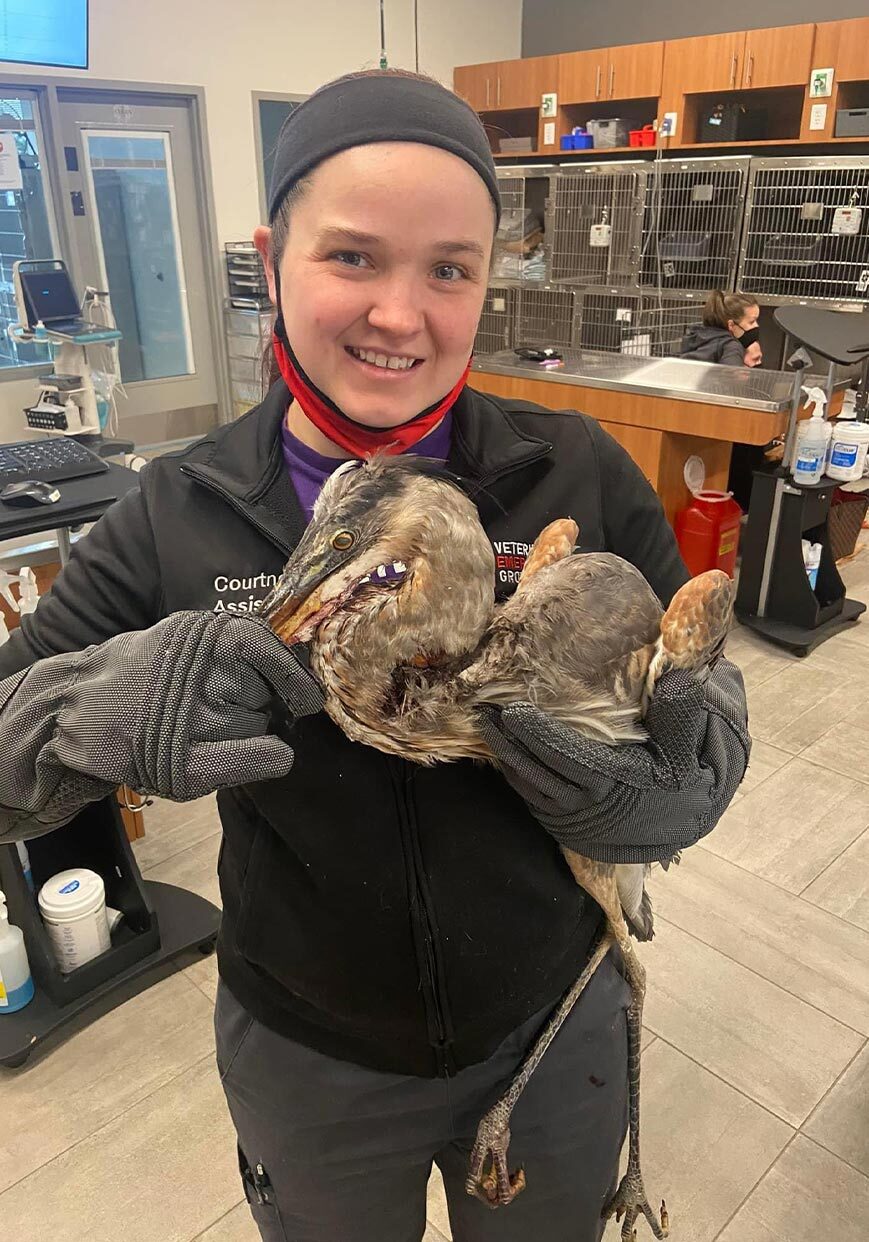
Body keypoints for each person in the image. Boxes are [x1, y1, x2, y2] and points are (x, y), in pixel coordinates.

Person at [0, 70, 750, 1242]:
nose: (400, 315)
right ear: (272, 256)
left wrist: (684, 780)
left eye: (447, 268)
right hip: (312, 1064)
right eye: (351, 257)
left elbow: (701, 690)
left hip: (552, 1032)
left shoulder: (575, 474)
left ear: (485, 280)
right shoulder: (174, 513)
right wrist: (98, 710)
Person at [679, 289, 762, 367]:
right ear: (731, 325)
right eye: (752, 322)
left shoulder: (694, 336)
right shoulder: (731, 346)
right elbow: (730, 379)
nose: (756, 326)